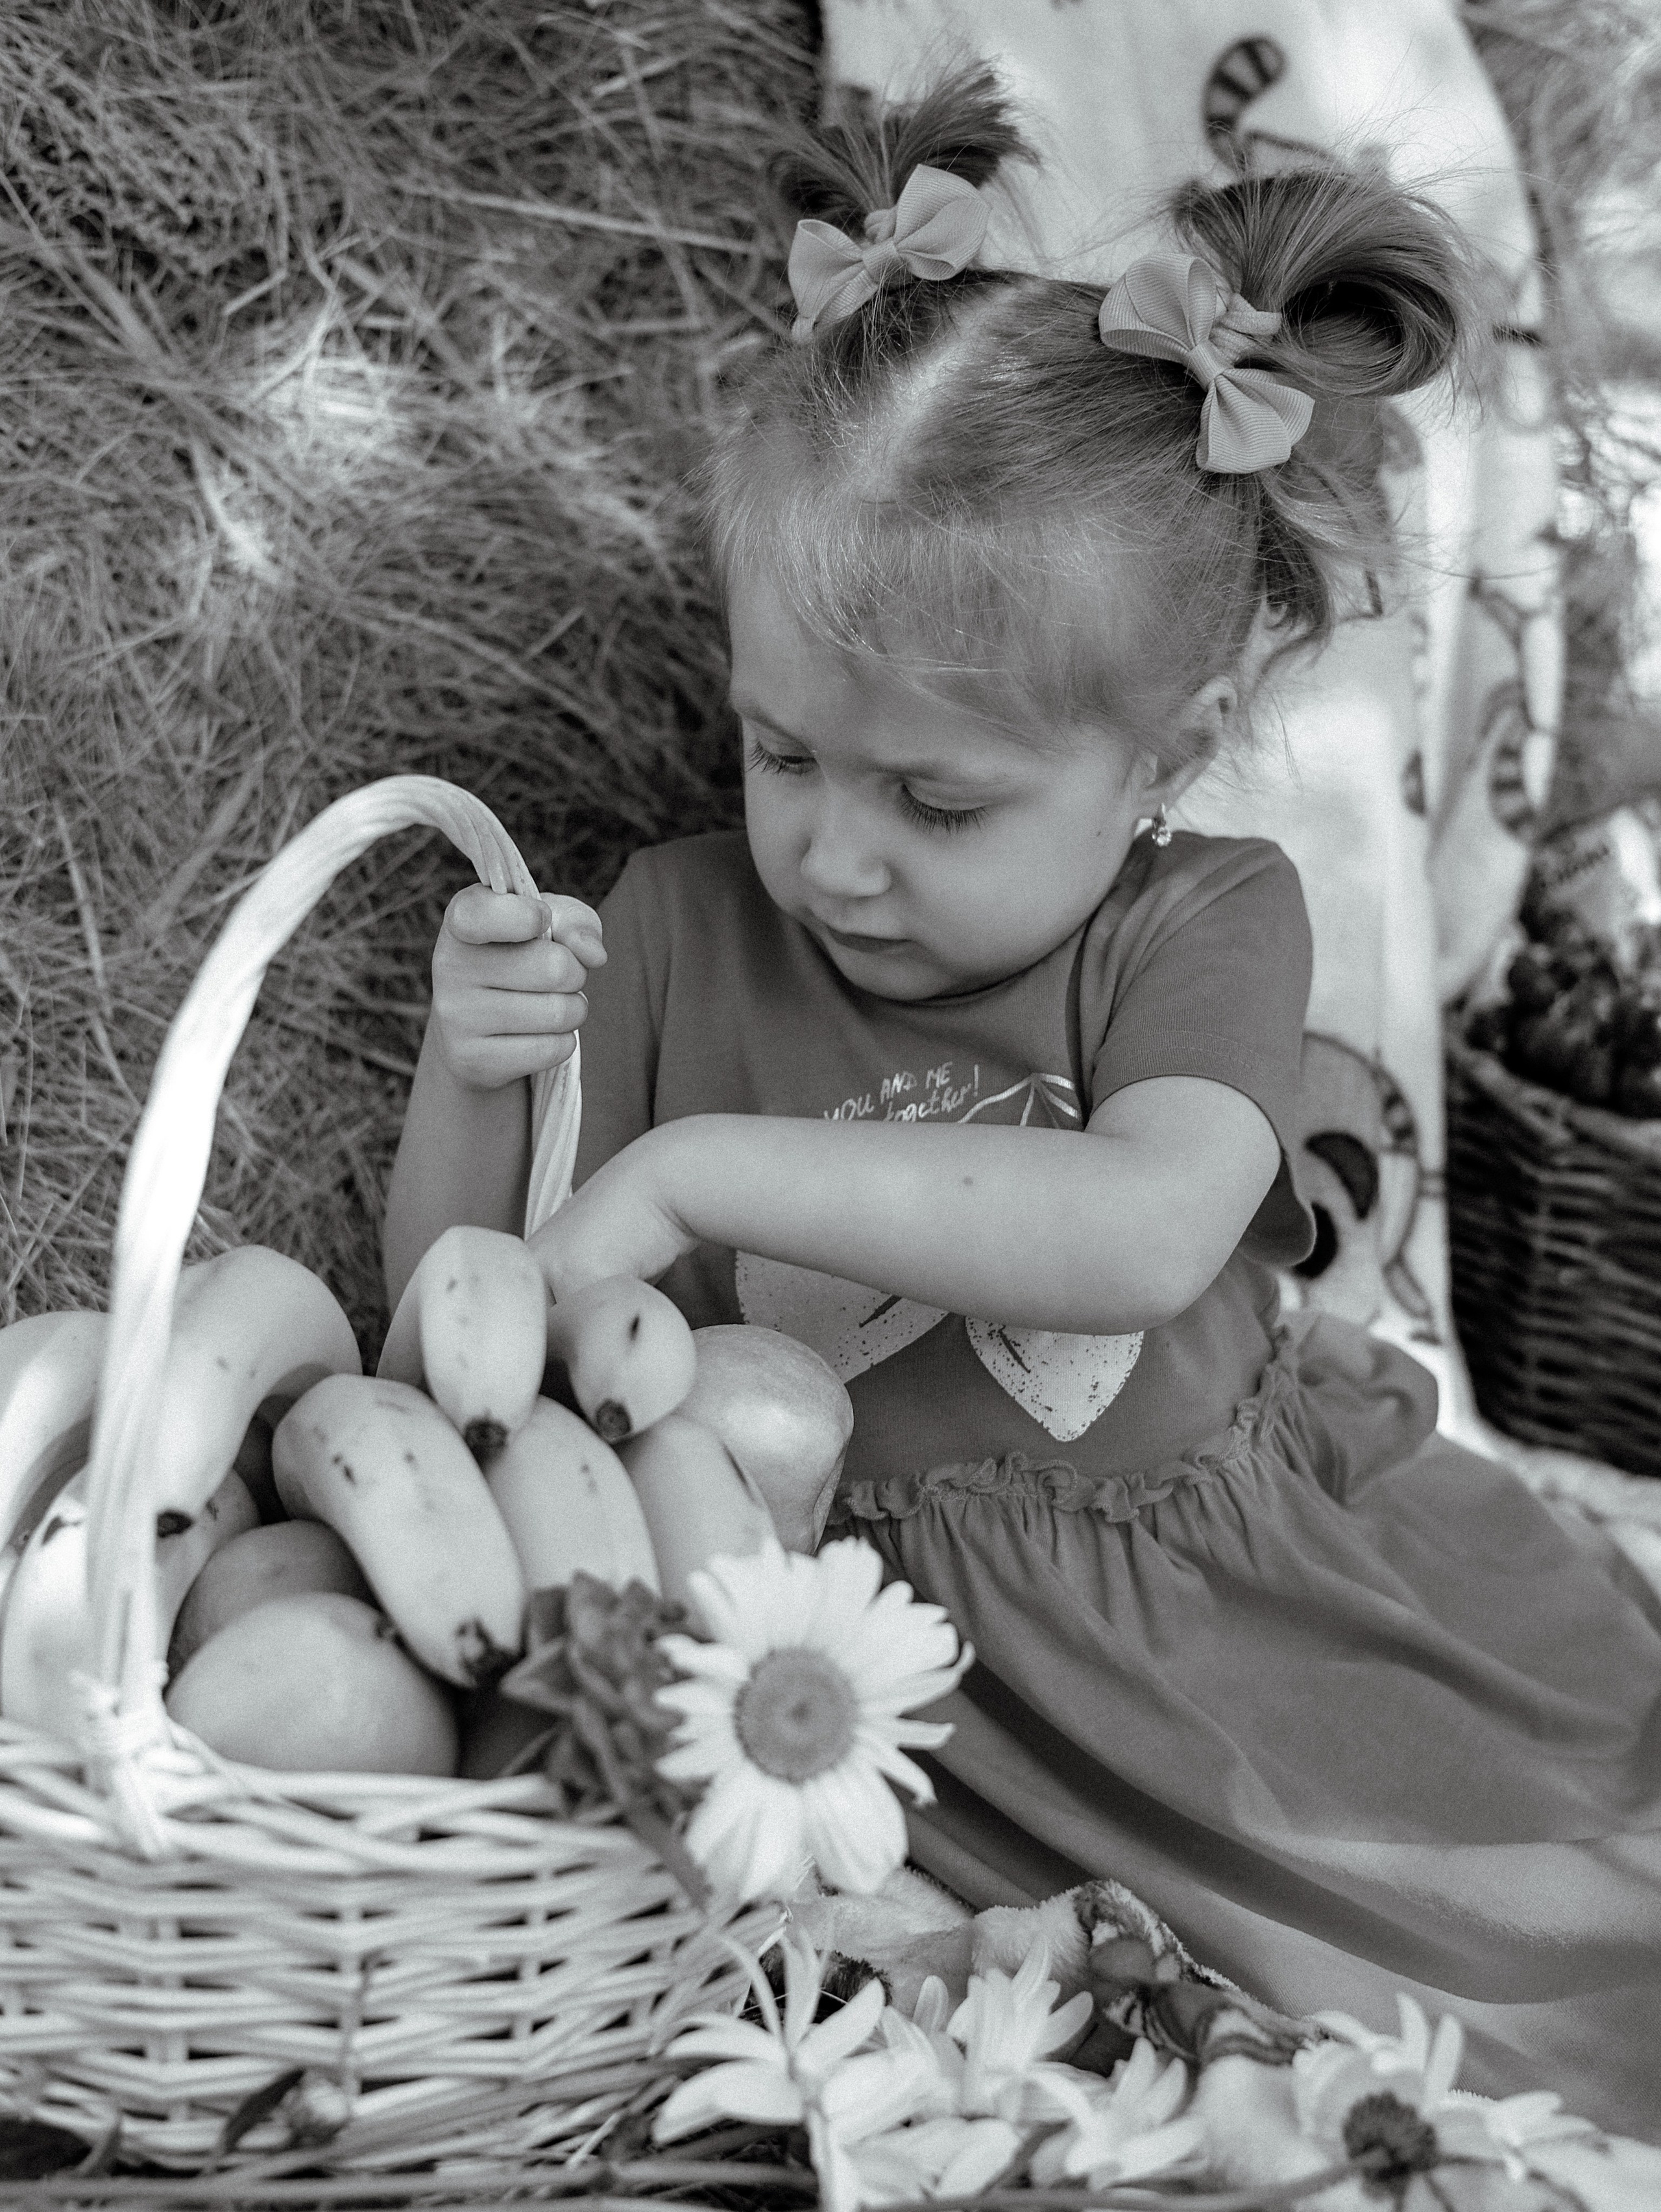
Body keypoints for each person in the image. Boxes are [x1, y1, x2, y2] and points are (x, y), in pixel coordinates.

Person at [383, 69, 1661, 2132]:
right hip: (857, 1699)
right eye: (784, 754)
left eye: (939, 799)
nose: (837, 856)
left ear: (1178, 742)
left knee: (1538, 1964)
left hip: (1230, 1637)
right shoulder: (675, 924)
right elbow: (465, 1334)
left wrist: (697, 1164)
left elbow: (1148, 1223)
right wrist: (478, 1072)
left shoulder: (1204, 926)